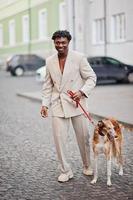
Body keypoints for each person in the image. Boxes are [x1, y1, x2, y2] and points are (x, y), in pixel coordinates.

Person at [40, 30, 97, 182]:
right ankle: (65, 171)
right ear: (54, 43)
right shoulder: (49, 61)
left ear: (68, 42)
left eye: (63, 42)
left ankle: (87, 165)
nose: (60, 45)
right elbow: (48, 85)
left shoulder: (79, 58)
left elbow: (91, 77)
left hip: (76, 103)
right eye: (57, 42)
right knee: (59, 140)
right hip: (58, 104)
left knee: (83, 137)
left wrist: (82, 92)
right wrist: (45, 104)